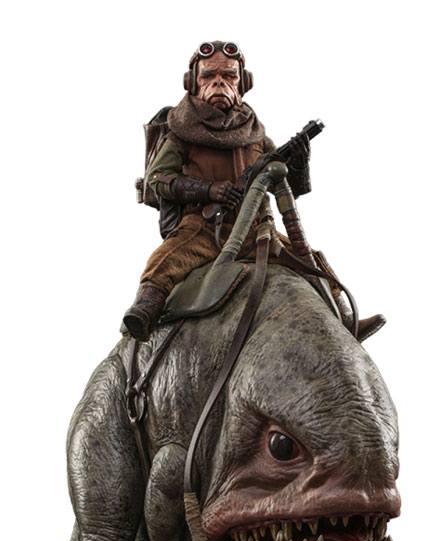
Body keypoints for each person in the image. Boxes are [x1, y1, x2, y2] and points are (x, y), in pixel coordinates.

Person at [120, 41, 312, 341]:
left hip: (259, 231)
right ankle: (144, 313)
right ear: (193, 83)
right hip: (206, 227)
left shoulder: (255, 135)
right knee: (166, 262)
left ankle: (343, 320)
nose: (219, 82)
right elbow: (157, 179)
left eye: (229, 75)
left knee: (315, 265)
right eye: (209, 75)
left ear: (243, 83)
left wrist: (300, 162)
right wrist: (209, 191)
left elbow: (291, 189)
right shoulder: (182, 132)